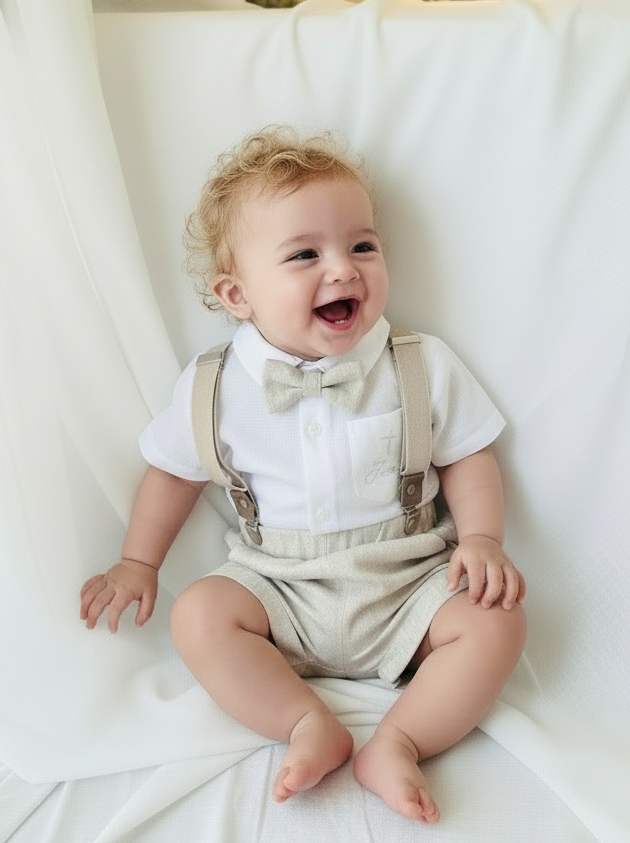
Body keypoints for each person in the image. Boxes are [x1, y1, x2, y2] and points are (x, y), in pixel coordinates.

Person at [80, 126, 527, 825]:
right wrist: (139, 561)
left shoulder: (420, 363)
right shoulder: (215, 386)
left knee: (497, 623)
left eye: (362, 246)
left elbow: (468, 455)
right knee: (198, 613)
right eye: (304, 255)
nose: (343, 270)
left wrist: (483, 539)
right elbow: (171, 473)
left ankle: (400, 740)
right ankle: (304, 720)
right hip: (279, 589)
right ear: (238, 293)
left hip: (406, 582)